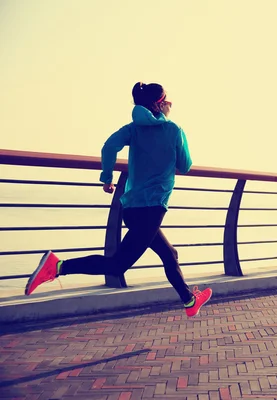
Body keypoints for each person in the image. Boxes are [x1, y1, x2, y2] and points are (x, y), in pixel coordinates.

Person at [24, 82, 212, 318]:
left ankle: (189, 302)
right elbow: (184, 166)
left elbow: (109, 147)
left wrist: (107, 178)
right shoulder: (174, 130)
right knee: (117, 265)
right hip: (152, 209)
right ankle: (58, 266)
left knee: (169, 254)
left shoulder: (133, 128)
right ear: (160, 104)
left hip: (131, 208)